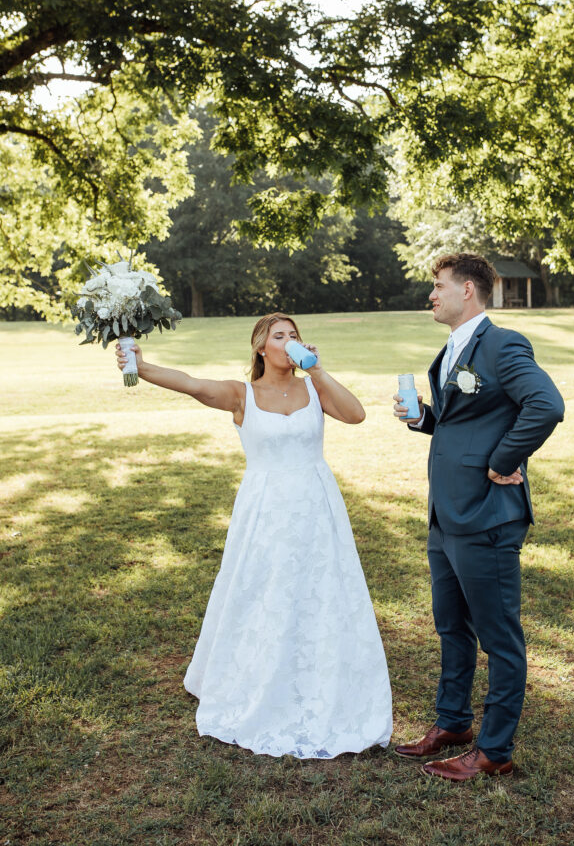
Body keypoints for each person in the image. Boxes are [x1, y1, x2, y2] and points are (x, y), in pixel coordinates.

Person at [116, 313, 392, 759]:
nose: (288, 341)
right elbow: (189, 383)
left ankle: (321, 677)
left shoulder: (312, 389)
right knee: (262, 590)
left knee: (319, 590)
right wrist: (141, 367)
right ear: (261, 347)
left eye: (293, 335)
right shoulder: (241, 394)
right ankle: (256, 679)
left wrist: (317, 369)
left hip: (316, 508)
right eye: (278, 336)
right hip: (265, 510)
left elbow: (356, 415)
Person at [393, 253, 564, 782]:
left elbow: (546, 405)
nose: (432, 295)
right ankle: (453, 723)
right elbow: (460, 419)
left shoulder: (503, 343)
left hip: (487, 514)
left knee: (499, 637)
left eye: (438, 286)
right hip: (445, 515)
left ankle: (494, 750)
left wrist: (502, 461)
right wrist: (424, 418)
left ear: (468, 290)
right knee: (451, 626)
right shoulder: (451, 350)